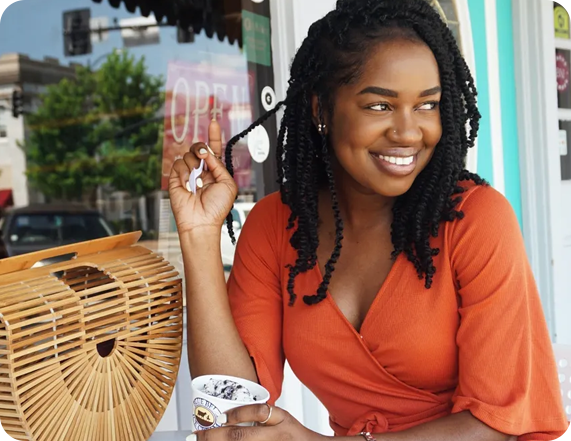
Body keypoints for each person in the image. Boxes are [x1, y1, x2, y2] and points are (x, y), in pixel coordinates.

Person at [169, 0, 571, 440]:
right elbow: (233, 411)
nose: (408, 132)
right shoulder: (276, 226)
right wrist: (200, 236)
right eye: (380, 106)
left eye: (427, 105)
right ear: (322, 110)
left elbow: (495, 425)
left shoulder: (474, 220)